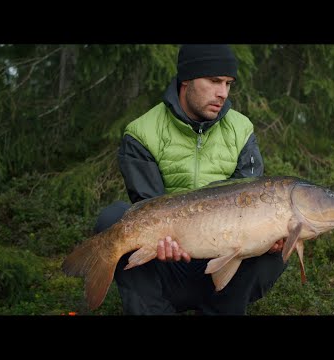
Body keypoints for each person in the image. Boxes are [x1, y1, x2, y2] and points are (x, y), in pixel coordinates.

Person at [94, 44, 286, 315]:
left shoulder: (241, 130)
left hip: (223, 263)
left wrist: (270, 238)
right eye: (214, 81)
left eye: (228, 83)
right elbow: (149, 207)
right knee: (114, 219)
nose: (223, 93)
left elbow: (250, 202)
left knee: (281, 236)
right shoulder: (142, 133)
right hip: (167, 266)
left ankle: (220, 309)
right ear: (186, 79)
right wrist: (164, 241)